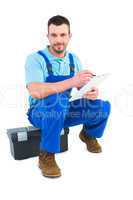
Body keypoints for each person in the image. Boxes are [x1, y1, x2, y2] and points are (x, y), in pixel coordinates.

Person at [25, 15, 111, 178]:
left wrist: (90, 91)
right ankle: (46, 155)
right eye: (54, 35)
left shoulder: (74, 59)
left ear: (69, 36)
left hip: (64, 110)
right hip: (42, 112)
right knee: (56, 102)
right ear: (48, 36)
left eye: (63, 35)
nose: (58, 40)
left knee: (101, 106)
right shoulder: (35, 59)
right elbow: (36, 91)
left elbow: (80, 87)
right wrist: (72, 80)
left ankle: (88, 134)